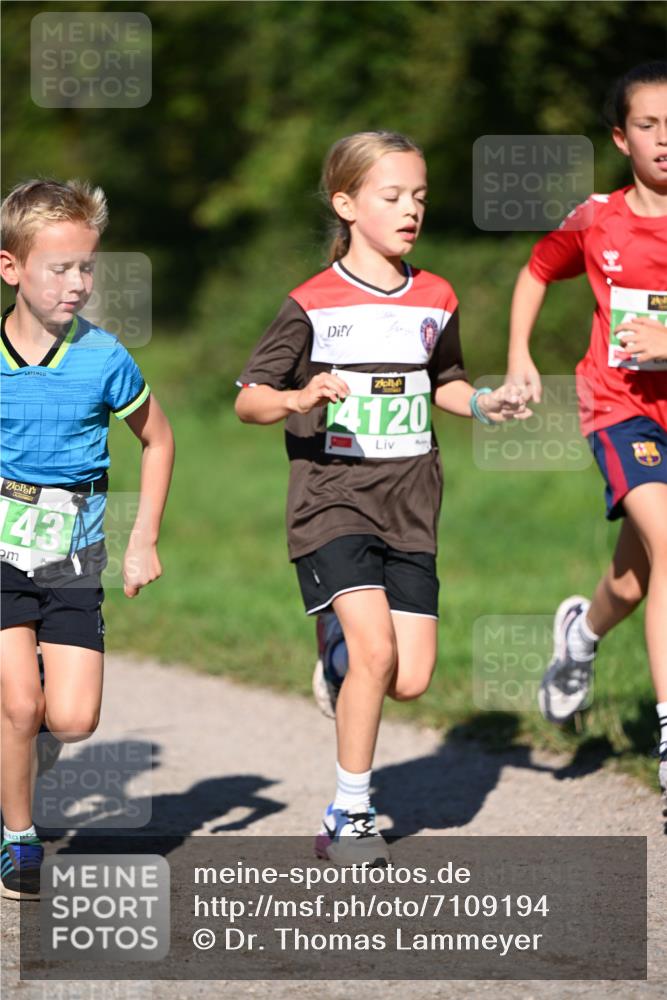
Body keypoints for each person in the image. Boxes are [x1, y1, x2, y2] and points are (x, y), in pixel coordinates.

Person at [235, 131, 529, 865]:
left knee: (409, 676)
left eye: (419, 197)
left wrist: (484, 404)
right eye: (391, 196)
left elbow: (446, 380)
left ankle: (333, 655)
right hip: (330, 501)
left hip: (411, 504)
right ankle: (350, 812)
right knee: (375, 651)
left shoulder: (436, 296)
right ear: (346, 204)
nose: (410, 210)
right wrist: (299, 394)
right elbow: (249, 400)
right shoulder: (311, 301)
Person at [0, 179, 175, 898]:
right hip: (1, 550)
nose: (77, 284)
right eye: (59, 268)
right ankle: (18, 836)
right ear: (10, 268)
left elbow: (158, 441)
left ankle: (23, 738)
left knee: (69, 717)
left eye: (87, 267)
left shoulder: (105, 359)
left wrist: (144, 539)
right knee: (18, 702)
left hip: (75, 555)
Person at [506, 61, 667, 801]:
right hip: (618, 407)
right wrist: (518, 359)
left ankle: (580, 634)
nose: (664, 139)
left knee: (634, 580)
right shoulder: (596, 217)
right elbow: (538, 269)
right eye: (647, 125)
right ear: (619, 136)